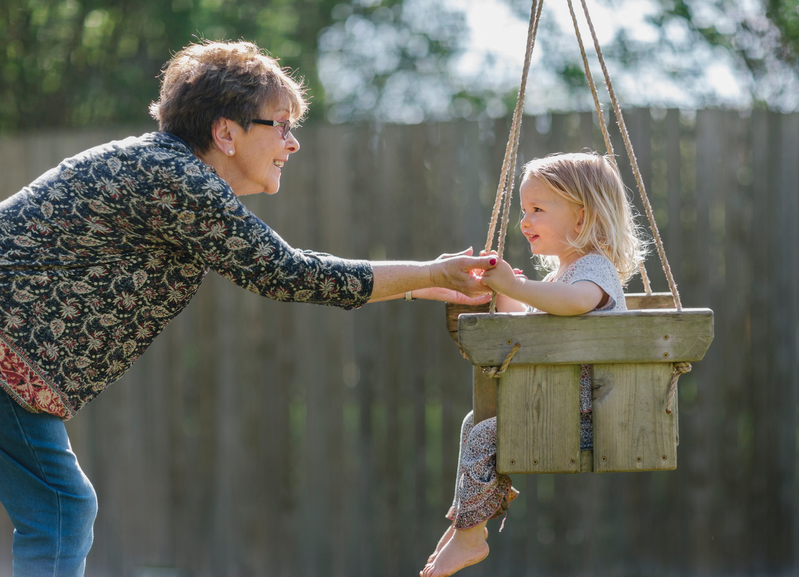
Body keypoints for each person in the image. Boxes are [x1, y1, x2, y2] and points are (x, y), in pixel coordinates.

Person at [0, 40, 496, 577]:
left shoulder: (166, 173)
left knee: (60, 507)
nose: (293, 142)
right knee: (61, 509)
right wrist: (428, 272)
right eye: (280, 125)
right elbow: (286, 273)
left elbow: (287, 267)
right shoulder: (176, 180)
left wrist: (416, 285)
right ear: (225, 132)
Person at [420, 151, 647, 577]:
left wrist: (518, 286)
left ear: (581, 218)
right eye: (524, 210)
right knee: (477, 423)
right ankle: (466, 523)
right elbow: (531, 327)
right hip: (558, 406)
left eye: (537, 210)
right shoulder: (565, 274)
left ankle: (471, 534)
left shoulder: (594, 271)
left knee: (485, 432)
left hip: (591, 414)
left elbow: (576, 304)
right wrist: (502, 291)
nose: (525, 221)